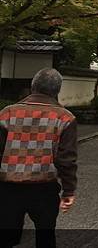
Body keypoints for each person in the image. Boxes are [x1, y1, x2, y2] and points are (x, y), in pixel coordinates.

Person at [0, 68, 78, 248]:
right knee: (45, 236)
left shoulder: (8, 113)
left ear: (32, 86)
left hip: (7, 188)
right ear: (57, 90)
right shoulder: (65, 118)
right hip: (44, 188)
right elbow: (66, 159)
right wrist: (68, 191)